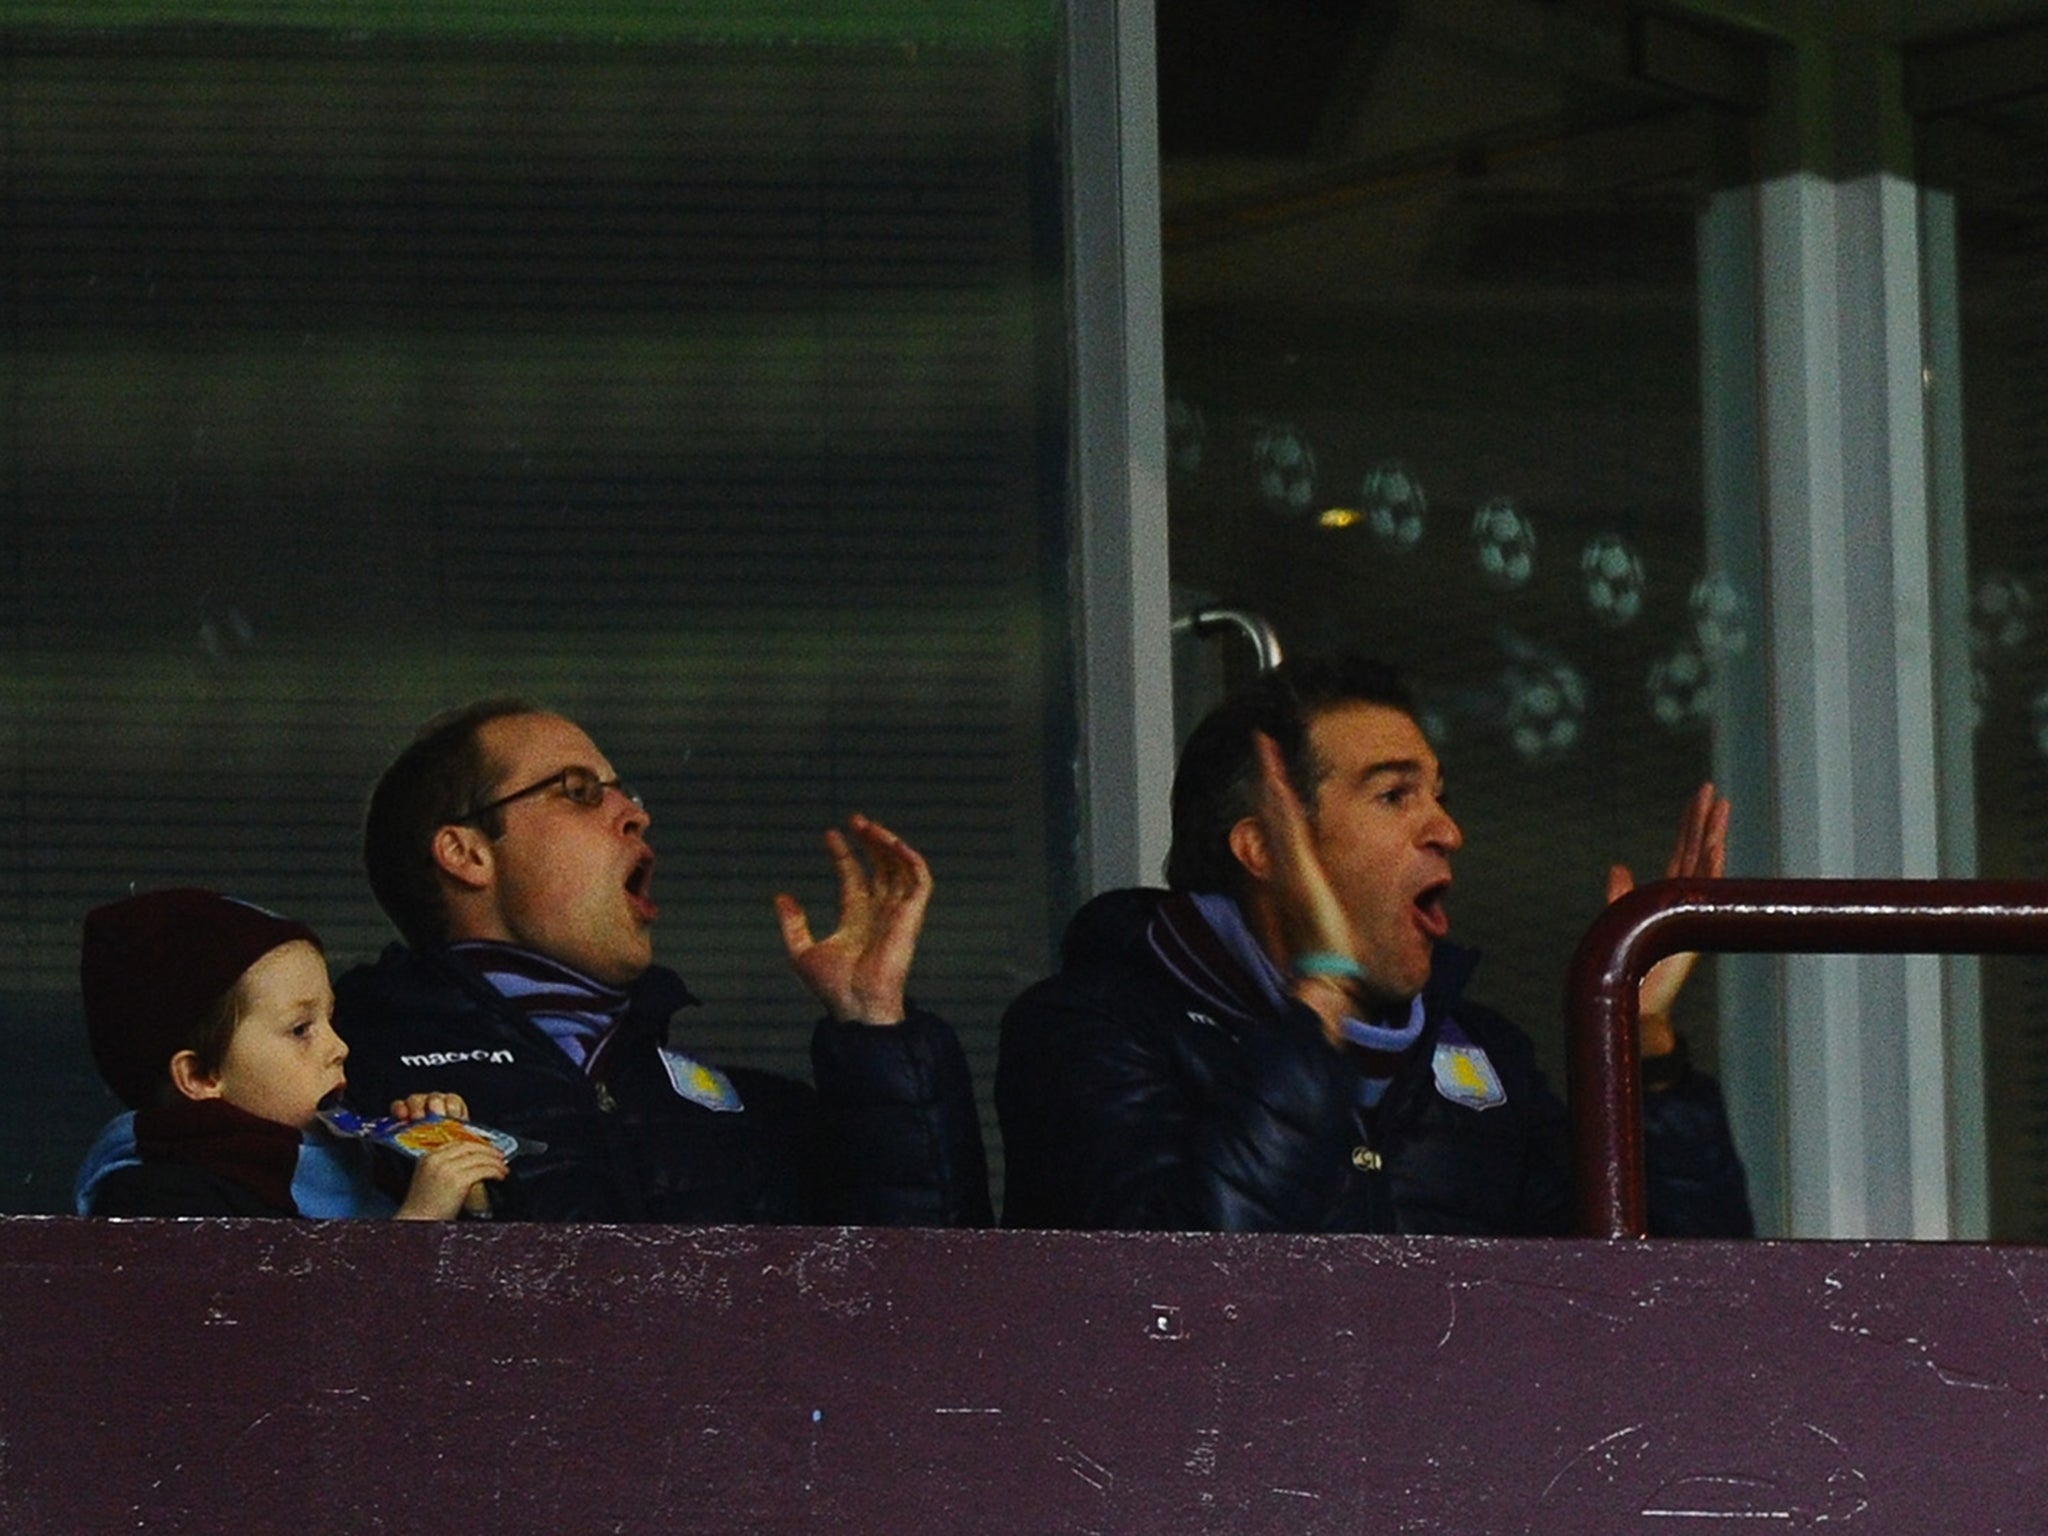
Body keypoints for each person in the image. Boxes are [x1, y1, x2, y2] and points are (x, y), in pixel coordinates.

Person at [995, 653, 1753, 1237]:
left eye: (1439, 797)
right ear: (1263, 850)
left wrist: (1640, 1045)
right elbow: (1172, 1313)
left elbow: (1671, 1324)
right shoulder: (1092, 1028)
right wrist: (1320, 994)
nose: (1447, 831)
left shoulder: (1485, 1053)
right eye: (1394, 795)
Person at [333, 698, 992, 1224]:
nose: (634, 816)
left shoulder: (749, 1116)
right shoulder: (344, 1079)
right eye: (580, 791)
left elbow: (925, 1317)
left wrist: (873, 1022)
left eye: (628, 794)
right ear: (466, 853)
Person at [75, 887, 507, 1219]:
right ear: (201, 1075)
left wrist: (467, 1191)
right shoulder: (155, 1195)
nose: (339, 1048)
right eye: (301, 1030)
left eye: (331, 1021)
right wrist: (418, 1225)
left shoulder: (366, 1163)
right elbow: (271, 1327)